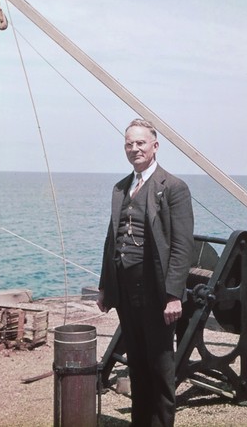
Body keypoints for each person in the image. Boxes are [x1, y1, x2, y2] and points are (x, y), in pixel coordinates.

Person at [97, 118, 194, 427]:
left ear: (155, 146)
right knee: (137, 365)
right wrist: (104, 287)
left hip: (156, 292)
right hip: (125, 292)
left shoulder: (175, 187)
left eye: (140, 143)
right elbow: (112, 239)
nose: (134, 148)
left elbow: (181, 246)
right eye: (129, 143)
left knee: (161, 366)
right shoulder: (121, 187)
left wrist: (173, 296)